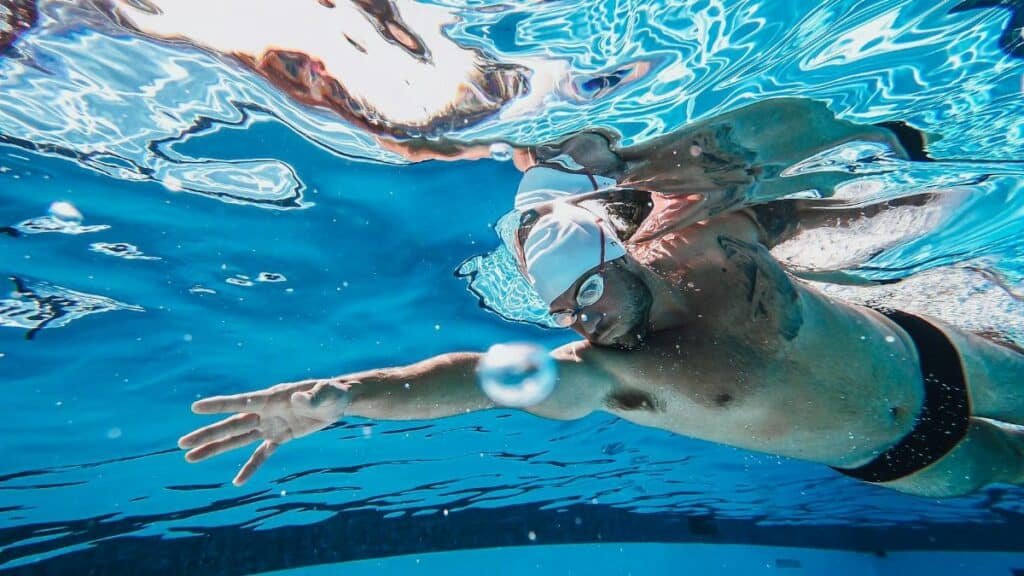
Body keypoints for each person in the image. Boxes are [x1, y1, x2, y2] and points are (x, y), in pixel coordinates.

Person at [178, 100, 1024, 498]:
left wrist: (880, 144)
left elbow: (774, 142)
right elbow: (478, 374)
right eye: (563, 314)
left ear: (621, 259)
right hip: (911, 464)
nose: (579, 320)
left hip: (933, 353)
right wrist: (344, 398)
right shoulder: (612, 373)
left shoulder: (707, 238)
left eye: (584, 293)